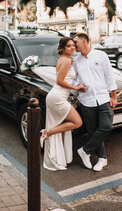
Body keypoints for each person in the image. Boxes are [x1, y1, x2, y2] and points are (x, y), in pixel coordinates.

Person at [72, 33, 117, 172]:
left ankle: (85, 150)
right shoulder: (76, 61)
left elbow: (109, 76)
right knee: (92, 131)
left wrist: (113, 96)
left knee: (106, 126)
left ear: (84, 41)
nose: (74, 45)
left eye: (76, 42)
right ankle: (102, 159)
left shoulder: (101, 55)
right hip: (86, 101)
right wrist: (79, 85)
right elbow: (73, 80)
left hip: (103, 98)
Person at [40, 37, 86, 171]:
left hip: (56, 96)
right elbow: (60, 81)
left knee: (58, 124)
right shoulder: (66, 61)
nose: (72, 48)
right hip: (58, 97)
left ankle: (56, 158)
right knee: (77, 122)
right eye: (68, 46)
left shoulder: (63, 59)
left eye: (73, 46)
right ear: (62, 48)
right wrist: (76, 88)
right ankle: (47, 132)